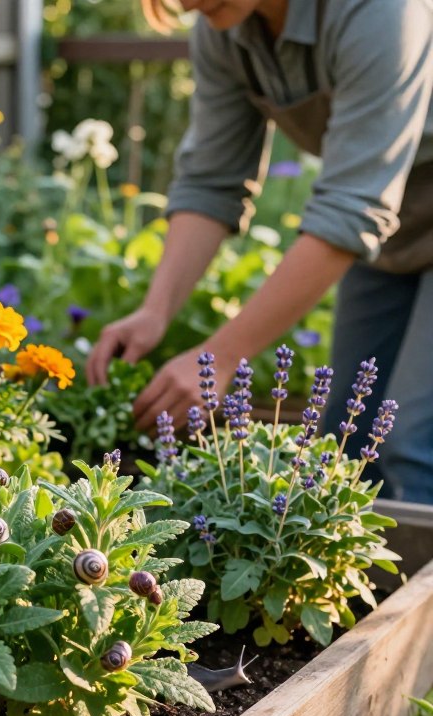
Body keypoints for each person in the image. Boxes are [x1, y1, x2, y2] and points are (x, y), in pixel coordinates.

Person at [86, 0, 433, 503]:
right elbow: (211, 182)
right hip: (393, 235)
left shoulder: (379, 10)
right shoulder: (226, 28)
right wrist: (154, 311)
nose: (185, 3)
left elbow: (351, 209)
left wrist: (219, 357)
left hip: (374, 213)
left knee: (412, 446)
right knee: (345, 443)